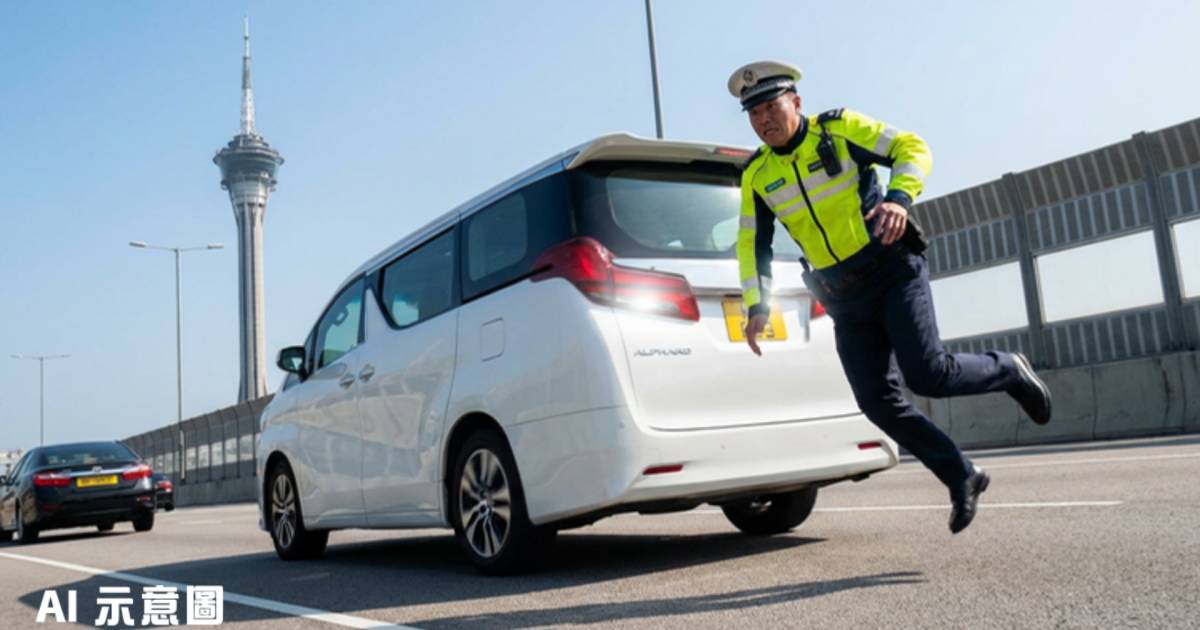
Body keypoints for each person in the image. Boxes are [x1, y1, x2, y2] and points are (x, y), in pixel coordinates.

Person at [728, 60, 1053, 533]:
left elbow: (911, 147)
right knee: (878, 403)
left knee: (929, 373)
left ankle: (1009, 370)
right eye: (753, 113)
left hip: (891, 271)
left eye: (771, 106)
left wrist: (899, 198)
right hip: (843, 298)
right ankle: (962, 474)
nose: (763, 120)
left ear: (796, 102)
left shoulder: (837, 130)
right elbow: (750, 242)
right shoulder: (757, 175)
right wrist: (758, 304)